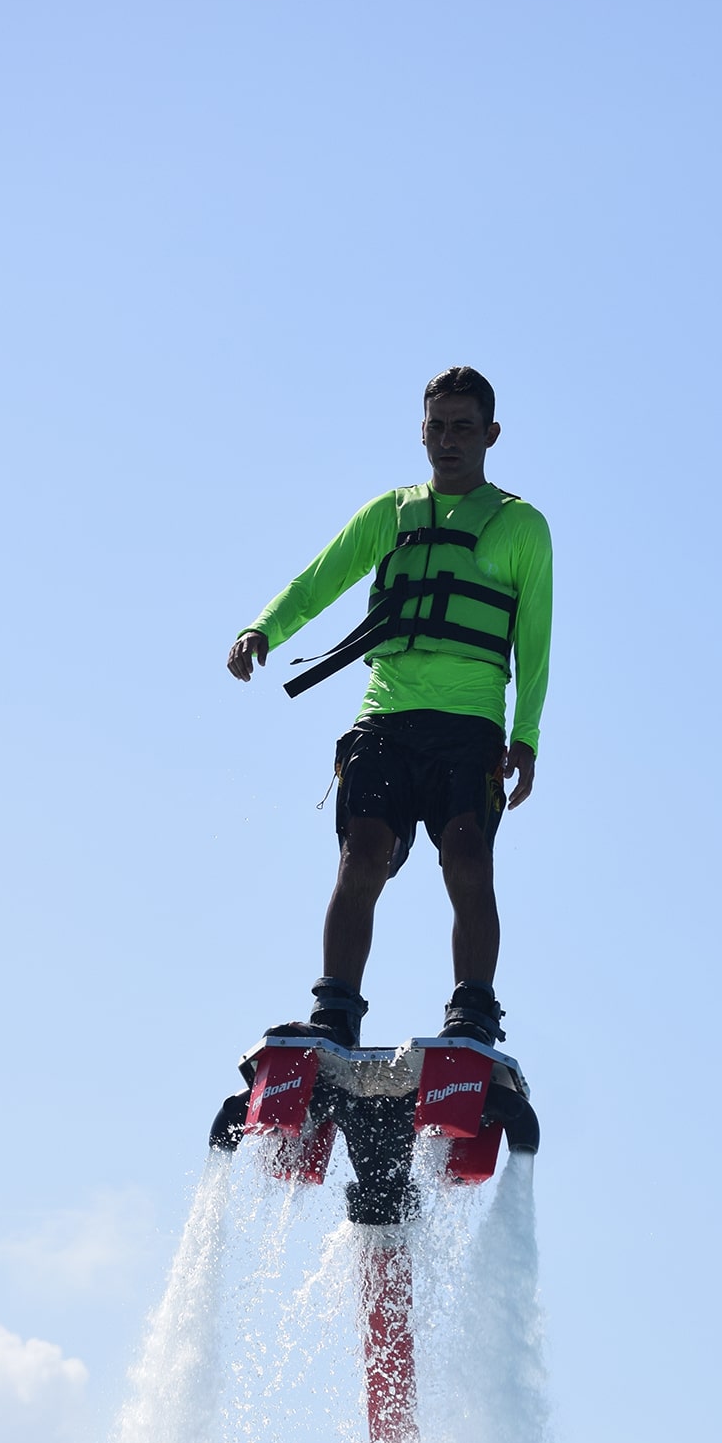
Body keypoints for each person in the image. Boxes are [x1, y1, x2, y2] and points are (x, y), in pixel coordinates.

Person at [227, 366, 552, 1050]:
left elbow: (535, 639)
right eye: (437, 427)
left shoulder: (522, 525)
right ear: (422, 431)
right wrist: (264, 628)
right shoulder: (391, 513)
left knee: (468, 857)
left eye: (464, 428)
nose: (448, 441)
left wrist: (525, 737)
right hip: (385, 718)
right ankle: (335, 1012)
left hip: (470, 727)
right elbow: (317, 581)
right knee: (361, 855)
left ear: (490, 434)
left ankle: (472, 1012)